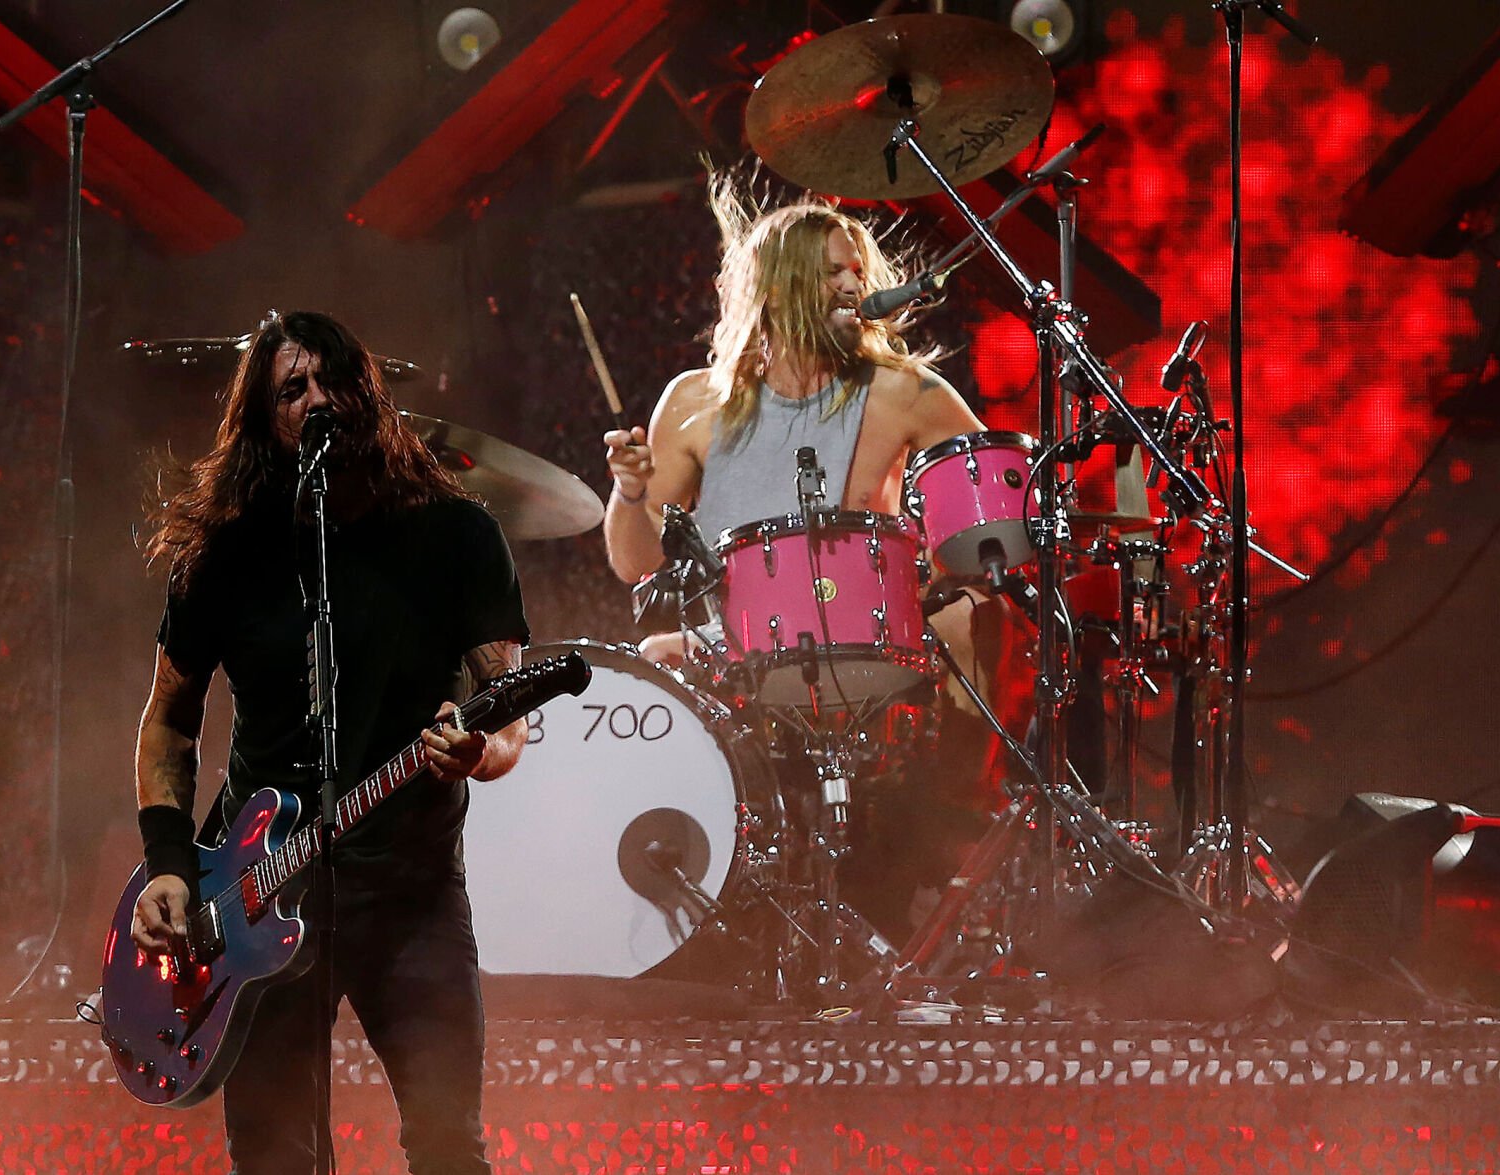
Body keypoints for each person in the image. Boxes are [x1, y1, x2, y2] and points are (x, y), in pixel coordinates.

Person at [128, 310, 529, 1175]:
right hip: (256, 895)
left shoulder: (457, 536)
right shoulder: (224, 556)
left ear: (370, 391)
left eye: (336, 379)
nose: (319, 400)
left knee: (448, 1145)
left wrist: (477, 753)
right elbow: (168, 716)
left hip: (409, 892)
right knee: (273, 1155)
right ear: (265, 416)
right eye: (293, 387)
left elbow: (506, 718)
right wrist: (168, 860)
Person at [602, 188, 1023, 933]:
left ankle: (943, 843)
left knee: (978, 617)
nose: (853, 286)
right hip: (730, 645)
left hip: (872, 634)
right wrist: (630, 494)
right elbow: (634, 563)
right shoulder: (696, 401)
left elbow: (993, 506)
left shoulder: (904, 389)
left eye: (855, 270)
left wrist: (949, 567)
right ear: (779, 286)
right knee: (643, 660)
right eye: (831, 272)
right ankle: (667, 915)